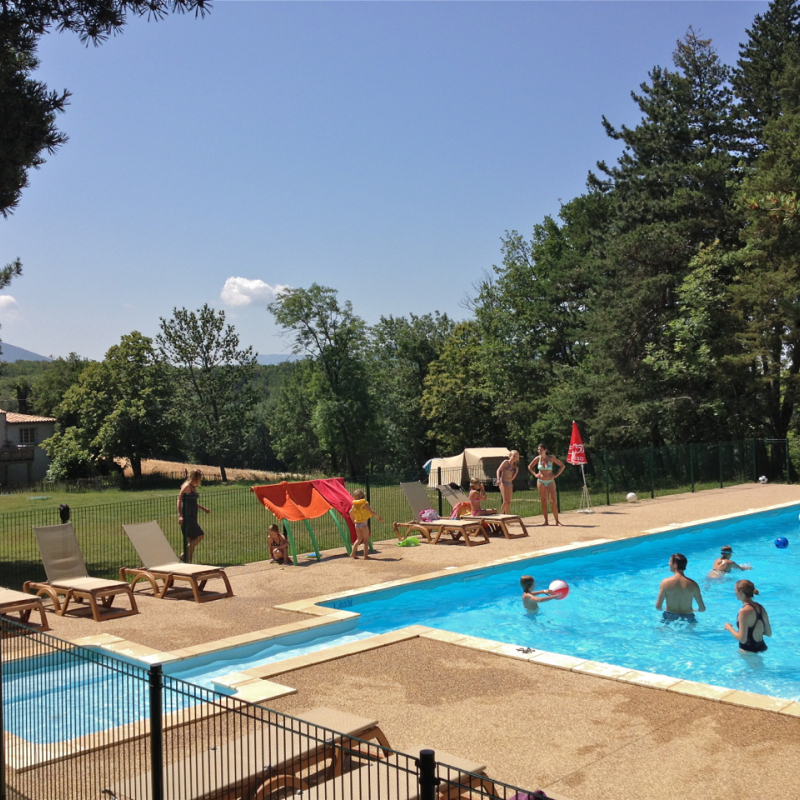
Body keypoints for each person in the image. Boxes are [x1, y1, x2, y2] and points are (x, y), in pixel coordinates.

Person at [655, 553, 706, 622]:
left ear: (675, 564)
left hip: (670, 617)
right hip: (688, 617)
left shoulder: (665, 582)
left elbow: (658, 607)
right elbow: (702, 609)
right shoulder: (693, 584)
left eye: (670, 561)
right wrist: (694, 610)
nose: (668, 563)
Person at [724, 579, 771, 653]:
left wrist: (729, 628)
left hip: (748, 651)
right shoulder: (761, 607)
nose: (734, 592)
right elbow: (768, 633)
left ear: (741, 592)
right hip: (762, 648)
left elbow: (742, 639)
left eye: (735, 590)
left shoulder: (744, 611)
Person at [528, 444, 565, 526]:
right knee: (543, 500)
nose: (539, 451)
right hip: (541, 481)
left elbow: (562, 465)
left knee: (552, 501)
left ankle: (557, 521)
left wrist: (556, 475)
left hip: (550, 481)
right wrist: (535, 474)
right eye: (538, 450)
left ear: (545, 450)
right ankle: (546, 521)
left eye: (541, 450)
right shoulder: (537, 459)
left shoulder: (551, 458)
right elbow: (530, 467)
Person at [177, 468, 210, 562]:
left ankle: (189, 562)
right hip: (187, 515)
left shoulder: (193, 487)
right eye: (199, 477)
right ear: (194, 477)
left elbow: (192, 502)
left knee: (191, 540)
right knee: (200, 535)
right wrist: (180, 515)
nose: (200, 479)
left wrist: (204, 509)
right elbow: (179, 500)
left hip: (193, 514)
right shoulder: (187, 486)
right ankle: (184, 554)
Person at [350, 489, 383, 560]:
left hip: (357, 524)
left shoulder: (354, 505)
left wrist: (353, 519)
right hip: (363, 523)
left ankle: (352, 553)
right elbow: (371, 512)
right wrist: (379, 517)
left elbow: (350, 512)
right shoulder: (365, 504)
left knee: (358, 539)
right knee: (366, 540)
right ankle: (365, 556)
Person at [496, 450, 520, 515]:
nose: (515, 458)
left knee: (508, 502)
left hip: (509, 483)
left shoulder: (515, 467)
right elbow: (498, 470)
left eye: (516, 457)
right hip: (503, 482)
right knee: (505, 501)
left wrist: (515, 472)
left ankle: (507, 518)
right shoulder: (506, 462)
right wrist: (498, 479)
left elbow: (513, 477)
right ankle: (501, 515)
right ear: (510, 456)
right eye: (514, 456)